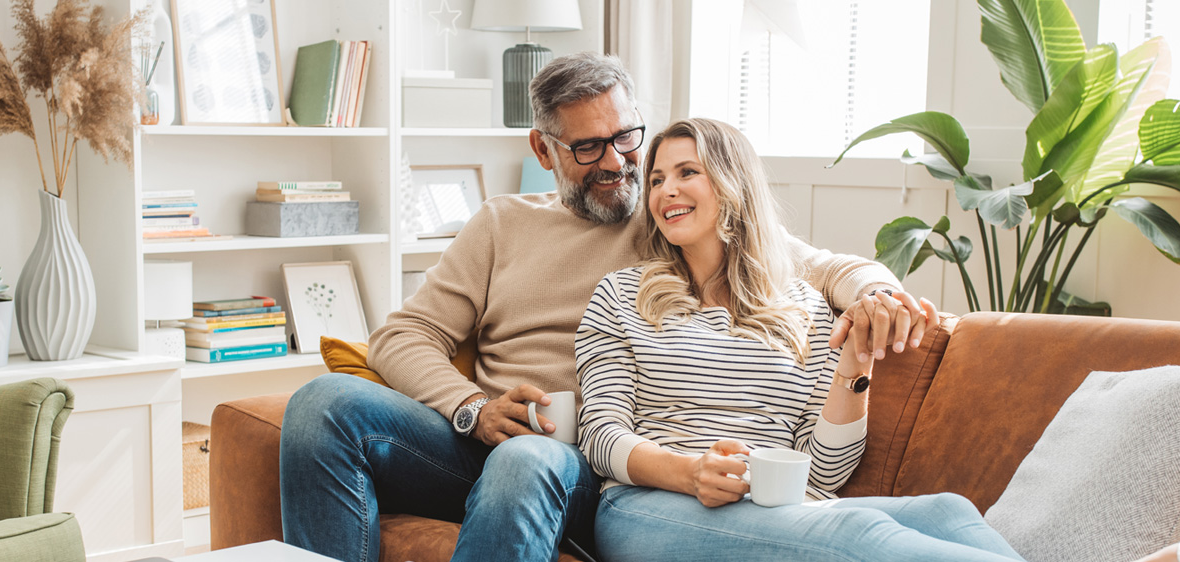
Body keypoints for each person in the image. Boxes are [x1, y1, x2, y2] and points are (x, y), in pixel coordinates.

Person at [278, 53, 937, 562]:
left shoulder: (670, 218)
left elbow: (813, 263)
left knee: (529, 460)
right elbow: (403, 337)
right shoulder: (502, 224)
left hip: (582, 461)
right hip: (485, 441)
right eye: (587, 147)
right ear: (543, 151)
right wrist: (473, 410)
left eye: (627, 139)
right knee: (321, 405)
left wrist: (876, 292)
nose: (618, 164)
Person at [575, 117, 1025, 561]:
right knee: (853, 531)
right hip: (649, 507)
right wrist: (690, 473)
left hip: (780, 508)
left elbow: (826, 472)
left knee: (947, 511)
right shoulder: (621, 295)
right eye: (656, 180)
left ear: (734, 184)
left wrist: (856, 361)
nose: (665, 190)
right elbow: (599, 435)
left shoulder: (805, 308)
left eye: (687, 172)